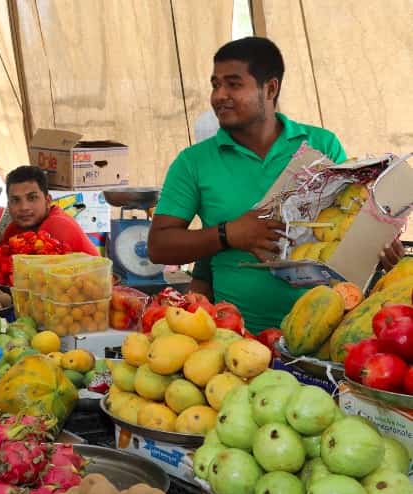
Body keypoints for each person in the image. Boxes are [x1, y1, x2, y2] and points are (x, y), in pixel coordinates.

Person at [147, 37, 404, 333]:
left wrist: (378, 246)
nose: (219, 95)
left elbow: (345, 223)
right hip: (235, 340)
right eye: (215, 84)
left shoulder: (321, 144)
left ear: (270, 89)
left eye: (233, 84)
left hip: (322, 333)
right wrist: (227, 234)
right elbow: (158, 247)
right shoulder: (193, 162)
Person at [1, 166, 99, 256]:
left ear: (47, 201)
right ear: (9, 205)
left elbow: (37, 273)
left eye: (32, 198)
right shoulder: (14, 228)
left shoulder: (57, 225)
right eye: (15, 200)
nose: (23, 207)